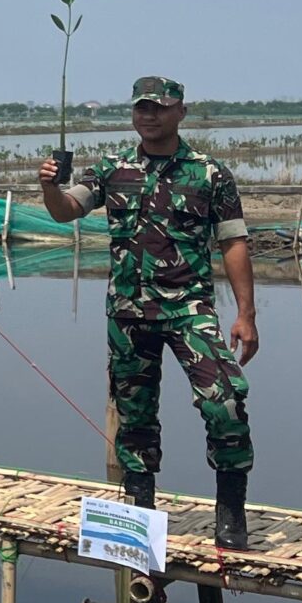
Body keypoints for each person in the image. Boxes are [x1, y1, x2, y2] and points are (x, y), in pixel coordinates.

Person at [39, 76, 259, 551]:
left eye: (159, 108)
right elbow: (64, 212)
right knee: (135, 419)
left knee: (224, 402)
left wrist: (246, 314)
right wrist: (49, 187)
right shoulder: (112, 168)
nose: (149, 116)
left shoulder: (209, 174)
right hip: (128, 312)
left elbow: (233, 242)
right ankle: (140, 513)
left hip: (189, 309)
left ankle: (231, 511)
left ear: (180, 111)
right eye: (142, 108)